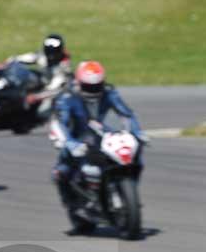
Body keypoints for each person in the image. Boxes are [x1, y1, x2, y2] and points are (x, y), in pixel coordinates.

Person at [53, 60, 144, 234]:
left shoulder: (109, 93)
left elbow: (126, 114)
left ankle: (126, 191)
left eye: (97, 86)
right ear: (79, 83)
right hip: (77, 138)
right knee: (61, 172)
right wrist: (69, 143)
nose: (94, 91)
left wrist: (137, 133)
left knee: (132, 154)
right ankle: (74, 205)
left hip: (100, 134)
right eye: (89, 86)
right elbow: (60, 123)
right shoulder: (67, 97)